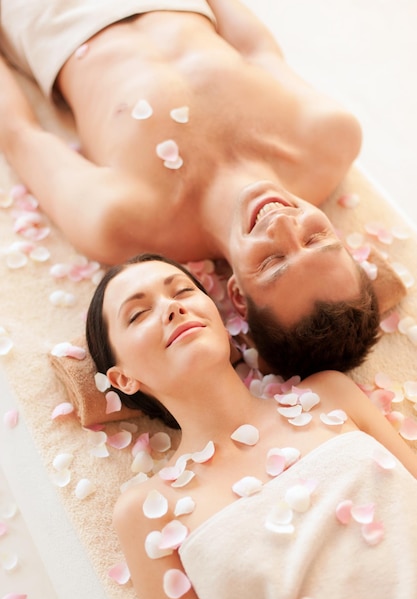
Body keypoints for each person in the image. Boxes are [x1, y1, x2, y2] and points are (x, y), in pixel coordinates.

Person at [0, 0, 380, 378]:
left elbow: (20, 135)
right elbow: (257, 49)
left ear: (237, 296)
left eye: (271, 261)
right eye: (315, 237)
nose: (282, 224)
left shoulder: (124, 224)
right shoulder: (329, 138)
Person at [86, 253, 417, 599]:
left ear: (220, 321)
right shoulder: (145, 511)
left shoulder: (330, 393)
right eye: (138, 314)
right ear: (122, 379)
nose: (172, 308)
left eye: (182, 291)